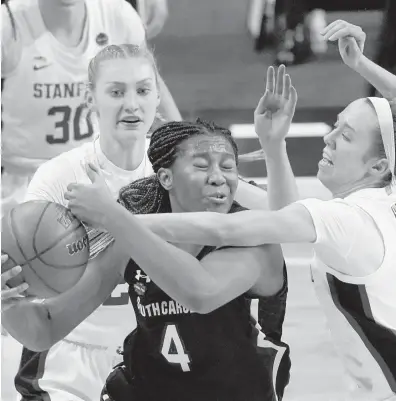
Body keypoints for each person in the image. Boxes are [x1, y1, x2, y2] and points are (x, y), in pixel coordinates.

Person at [93, 22, 396, 401]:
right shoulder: (387, 197)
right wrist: (361, 65)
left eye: (346, 135)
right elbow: (279, 216)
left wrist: (116, 219)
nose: (328, 137)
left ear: (378, 167)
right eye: (335, 126)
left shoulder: (349, 221)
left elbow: (230, 229)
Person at [0, 45, 277, 401]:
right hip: (73, 346)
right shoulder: (58, 177)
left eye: (143, 90)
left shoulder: (184, 170)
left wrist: (274, 148)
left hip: (157, 350)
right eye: (116, 92)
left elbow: (278, 216)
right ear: (91, 99)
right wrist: (9, 294)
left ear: (157, 97)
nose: (131, 103)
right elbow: (28, 284)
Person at [63, 118, 290, 401]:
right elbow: (46, 324)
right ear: (165, 178)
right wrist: (10, 296)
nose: (219, 177)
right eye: (202, 166)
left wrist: (113, 216)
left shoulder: (257, 238)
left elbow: (201, 292)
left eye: (228, 167)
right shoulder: (133, 239)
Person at [1, 0, 181, 218]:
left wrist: (183, 146)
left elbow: (151, 84)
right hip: (25, 185)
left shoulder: (117, 15)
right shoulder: (8, 25)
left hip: (102, 177)